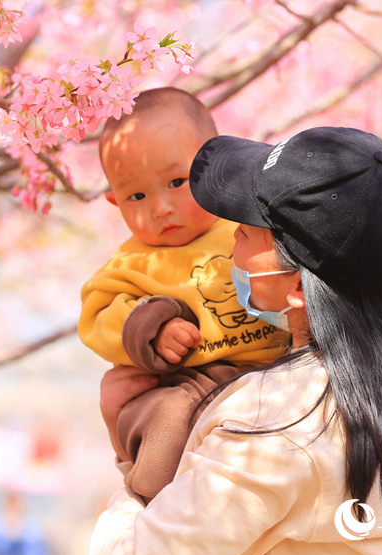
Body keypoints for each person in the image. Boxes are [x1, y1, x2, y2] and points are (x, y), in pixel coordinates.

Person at [90, 126, 382, 555]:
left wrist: (124, 454)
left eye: (247, 231)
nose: (231, 242)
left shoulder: (279, 418)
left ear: (300, 288)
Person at [78, 87, 289, 502]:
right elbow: (99, 316)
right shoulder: (131, 265)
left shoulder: (245, 227)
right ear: (114, 201)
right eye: (136, 195)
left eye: (176, 182)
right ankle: (151, 501)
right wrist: (152, 329)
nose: (160, 207)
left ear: (213, 169)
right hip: (186, 384)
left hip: (273, 371)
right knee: (169, 423)